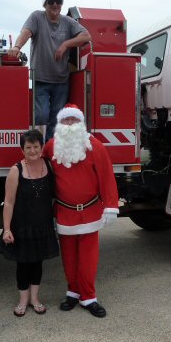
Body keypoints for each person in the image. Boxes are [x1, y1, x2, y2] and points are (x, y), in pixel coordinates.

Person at [42, 104, 119, 318]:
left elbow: (107, 177)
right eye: (66, 121)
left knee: (88, 257)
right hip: (65, 213)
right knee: (68, 257)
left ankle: (89, 297)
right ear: (60, 124)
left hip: (90, 212)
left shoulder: (95, 147)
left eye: (73, 121)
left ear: (81, 123)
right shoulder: (51, 147)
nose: (69, 124)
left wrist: (111, 206)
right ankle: (73, 293)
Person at [8, 0, 91, 141]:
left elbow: (86, 36)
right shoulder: (36, 17)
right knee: (41, 115)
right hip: (41, 79)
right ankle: (37, 148)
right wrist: (17, 47)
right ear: (44, 4)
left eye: (58, 1)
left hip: (61, 80)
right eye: (51, 1)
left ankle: (50, 150)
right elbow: (25, 32)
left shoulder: (68, 22)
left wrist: (66, 44)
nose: (55, 5)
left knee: (57, 119)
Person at [0, 129, 59, 317]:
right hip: (21, 227)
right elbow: (8, 202)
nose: (33, 150)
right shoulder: (15, 170)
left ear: (42, 147)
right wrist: (7, 229)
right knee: (23, 265)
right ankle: (23, 301)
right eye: (28, 147)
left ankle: (35, 299)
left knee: (37, 264)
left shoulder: (49, 166)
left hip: (43, 226)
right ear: (22, 150)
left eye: (36, 146)